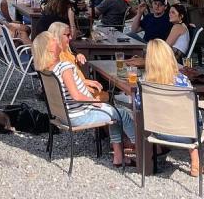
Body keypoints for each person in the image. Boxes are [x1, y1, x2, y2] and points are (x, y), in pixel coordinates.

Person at [32, 24, 135, 168]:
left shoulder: (47, 69)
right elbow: (76, 95)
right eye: (53, 40)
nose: (57, 40)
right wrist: (93, 101)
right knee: (122, 114)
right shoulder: (64, 67)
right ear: (49, 48)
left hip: (63, 115)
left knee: (114, 113)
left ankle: (119, 156)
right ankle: (139, 148)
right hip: (79, 115)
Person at [140, 39, 201, 177]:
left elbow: (139, 105)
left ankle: (151, 153)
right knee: (193, 114)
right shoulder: (182, 80)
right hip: (188, 134)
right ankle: (195, 158)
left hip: (158, 132)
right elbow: (192, 107)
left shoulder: (144, 82)